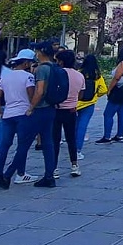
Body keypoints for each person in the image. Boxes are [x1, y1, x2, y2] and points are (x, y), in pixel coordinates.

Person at [0, 49, 40, 189]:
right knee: (22, 146)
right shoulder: (28, 77)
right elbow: (31, 94)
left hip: (8, 113)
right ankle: (13, 174)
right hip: (23, 114)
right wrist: (31, 108)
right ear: (27, 63)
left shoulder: (6, 77)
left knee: (4, 145)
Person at [27, 41, 60, 188]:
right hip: (51, 106)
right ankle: (49, 175)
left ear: (41, 52)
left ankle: (7, 175)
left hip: (41, 107)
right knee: (48, 143)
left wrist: (31, 107)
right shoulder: (55, 67)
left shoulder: (41, 69)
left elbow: (39, 91)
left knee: (25, 142)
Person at [51, 50, 85, 179]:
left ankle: (54, 167)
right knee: (71, 138)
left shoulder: (57, 74)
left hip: (57, 109)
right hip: (71, 110)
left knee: (55, 139)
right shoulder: (79, 75)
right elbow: (81, 94)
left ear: (61, 61)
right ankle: (74, 165)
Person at [96, 48, 123, 144]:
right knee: (122, 113)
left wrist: (109, 89)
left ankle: (107, 136)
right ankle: (120, 135)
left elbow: (117, 77)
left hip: (118, 90)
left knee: (108, 114)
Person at [76, 55, 107, 160]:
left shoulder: (79, 73)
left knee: (74, 126)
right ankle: (78, 150)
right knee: (82, 127)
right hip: (89, 103)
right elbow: (103, 90)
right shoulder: (97, 75)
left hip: (76, 103)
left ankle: (71, 146)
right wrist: (95, 95)